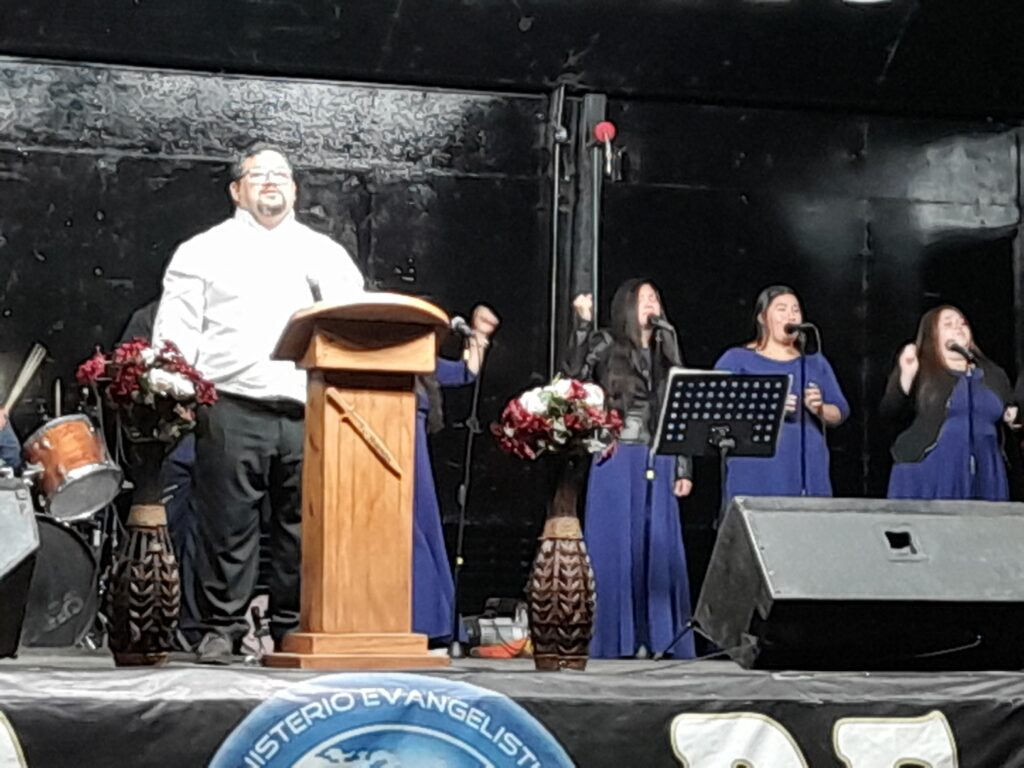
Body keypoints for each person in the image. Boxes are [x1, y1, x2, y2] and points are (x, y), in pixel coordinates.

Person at [153, 144, 365, 663]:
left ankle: (292, 627)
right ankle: (221, 627)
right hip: (231, 405)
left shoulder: (325, 255)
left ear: (295, 190)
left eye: (281, 175)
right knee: (226, 527)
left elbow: (354, 321)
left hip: (309, 406)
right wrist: (176, 391)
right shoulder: (202, 251)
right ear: (236, 190)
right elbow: (175, 333)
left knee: (303, 527)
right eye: (258, 175)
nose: (271, 182)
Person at [565, 279, 695, 660]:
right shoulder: (606, 342)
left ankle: (660, 639)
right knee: (615, 546)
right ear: (627, 305)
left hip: (659, 455)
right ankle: (613, 641)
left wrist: (683, 466)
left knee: (658, 548)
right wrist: (582, 326)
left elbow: (681, 409)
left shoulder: (665, 350)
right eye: (644, 298)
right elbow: (574, 378)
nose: (652, 303)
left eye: (656, 297)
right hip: (617, 453)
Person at [714, 285, 848, 503]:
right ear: (762, 318)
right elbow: (715, 409)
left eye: (796, 310)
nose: (791, 315)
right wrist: (768, 405)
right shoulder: (737, 359)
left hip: (807, 466)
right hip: (755, 467)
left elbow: (840, 412)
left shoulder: (814, 362)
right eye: (782, 309)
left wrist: (820, 408)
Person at [413, 304, 499, 643]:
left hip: (414, 448)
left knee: (420, 525)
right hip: (384, 445)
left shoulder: (423, 364)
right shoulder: (382, 361)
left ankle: (429, 620)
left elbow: (466, 373)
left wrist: (479, 336)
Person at [883, 305, 1016, 500]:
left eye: (962, 323)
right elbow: (890, 413)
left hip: (985, 469)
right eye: (948, 324)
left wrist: (1014, 416)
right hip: (930, 468)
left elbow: (1011, 410)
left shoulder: (993, 373)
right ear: (932, 335)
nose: (958, 328)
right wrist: (906, 377)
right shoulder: (921, 369)